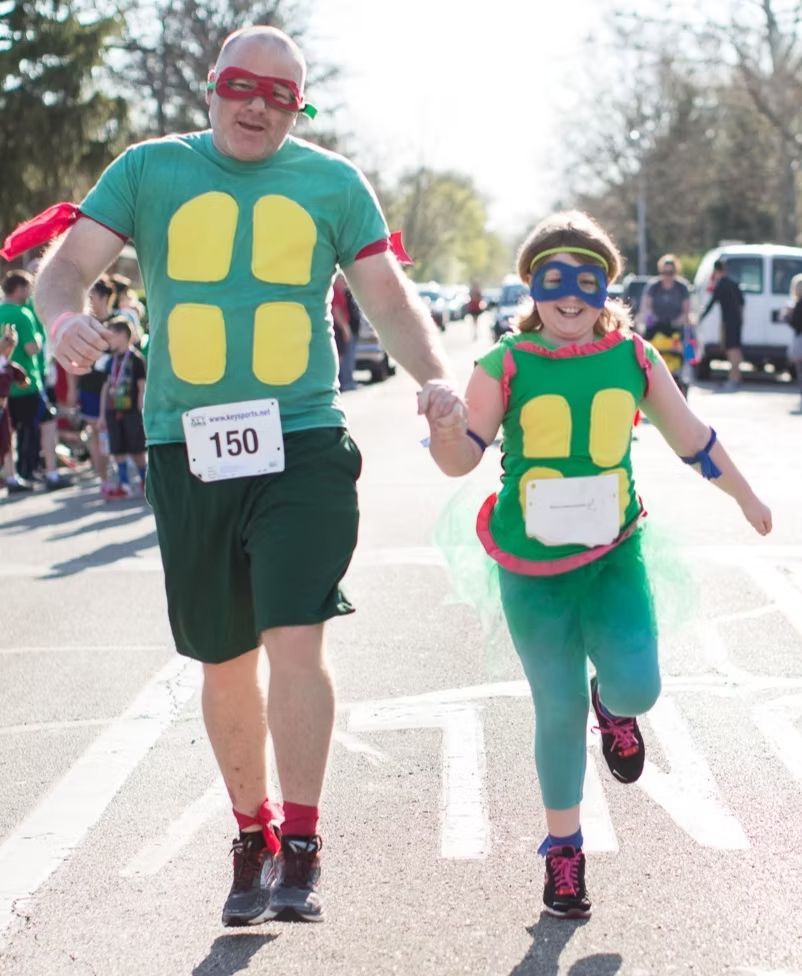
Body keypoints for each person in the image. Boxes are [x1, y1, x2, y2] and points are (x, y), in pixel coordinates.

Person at [29, 25, 460, 927]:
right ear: (212, 88)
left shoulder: (334, 184)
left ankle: (302, 841)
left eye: (282, 94)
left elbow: (388, 298)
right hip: (187, 448)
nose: (257, 104)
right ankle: (250, 833)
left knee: (294, 633)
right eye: (240, 85)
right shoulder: (149, 171)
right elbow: (65, 268)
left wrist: (435, 379)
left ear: (299, 107)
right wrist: (62, 318)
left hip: (301, 439)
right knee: (223, 659)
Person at [419, 210, 772, 920]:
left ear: (605, 286)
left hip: (614, 554)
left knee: (639, 686)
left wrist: (746, 496)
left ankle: (614, 708)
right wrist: (444, 425)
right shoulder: (505, 363)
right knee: (554, 707)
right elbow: (461, 460)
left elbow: (693, 439)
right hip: (529, 564)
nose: (571, 295)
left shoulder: (635, 357)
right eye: (554, 279)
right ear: (532, 287)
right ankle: (565, 855)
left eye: (586, 278)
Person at [0, 271, 70, 491]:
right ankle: (51, 474)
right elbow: (32, 348)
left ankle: (12, 477)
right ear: (19, 288)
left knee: (7, 431)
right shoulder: (23, 314)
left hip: (4, 386)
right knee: (48, 424)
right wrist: (41, 336)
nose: (30, 293)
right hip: (26, 382)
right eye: (28, 288)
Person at [98, 317, 147, 498]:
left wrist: (142, 411)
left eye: (112, 335)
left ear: (123, 335)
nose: (109, 339)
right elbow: (105, 388)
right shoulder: (110, 361)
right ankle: (124, 484)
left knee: (138, 450)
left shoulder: (136, 359)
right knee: (117, 449)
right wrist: (102, 415)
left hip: (132, 411)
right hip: (112, 410)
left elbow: (142, 387)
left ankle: (144, 481)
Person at [639, 254, 693, 396]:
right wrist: (653, 319)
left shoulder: (681, 287)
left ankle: (678, 381)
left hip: (675, 327)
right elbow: (646, 307)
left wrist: (677, 322)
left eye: (670, 273)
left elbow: (686, 311)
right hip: (656, 326)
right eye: (664, 273)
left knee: (680, 349)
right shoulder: (654, 287)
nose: (667, 276)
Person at [699, 258, 745, 393]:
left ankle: (734, 378)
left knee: (732, 350)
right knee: (735, 349)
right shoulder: (733, 283)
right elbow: (742, 302)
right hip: (736, 321)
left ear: (715, 270)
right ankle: (735, 377)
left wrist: (700, 317)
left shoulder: (721, 284)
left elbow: (711, 303)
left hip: (728, 322)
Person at [784, 272, 802, 412]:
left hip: (800, 339)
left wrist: (787, 315)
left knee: (800, 370)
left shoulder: (799, 304)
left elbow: (796, 323)